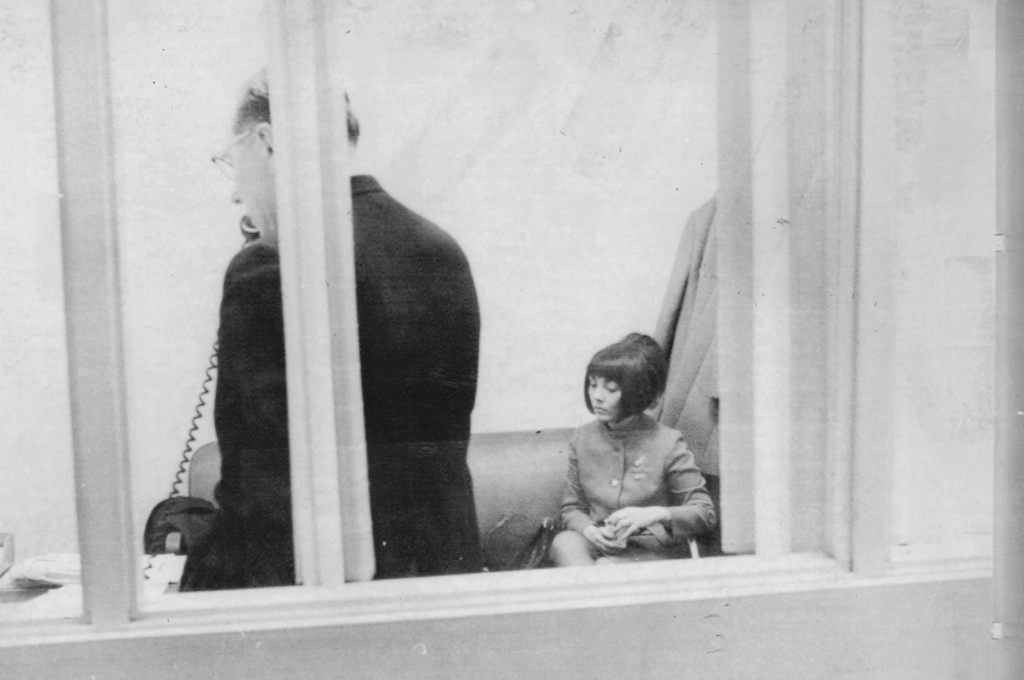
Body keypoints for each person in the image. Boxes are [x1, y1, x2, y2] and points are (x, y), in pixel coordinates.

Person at [180, 70, 482, 590]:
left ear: (266, 142)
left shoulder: (270, 263)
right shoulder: (441, 249)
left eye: (231, 161)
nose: (234, 193)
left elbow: (256, 481)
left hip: (321, 582)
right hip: (440, 570)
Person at [550, 333, 716, 567]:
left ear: (636, 393)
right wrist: (589, 530)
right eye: (593, 385)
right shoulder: (582, 438)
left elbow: (704, 513)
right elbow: (572, 508)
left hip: (651, 546)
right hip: (599, 538)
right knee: (564, 543)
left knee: (607, 566)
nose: (597, 396)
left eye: (610, 389)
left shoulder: (668, 442)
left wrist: (654, 513)